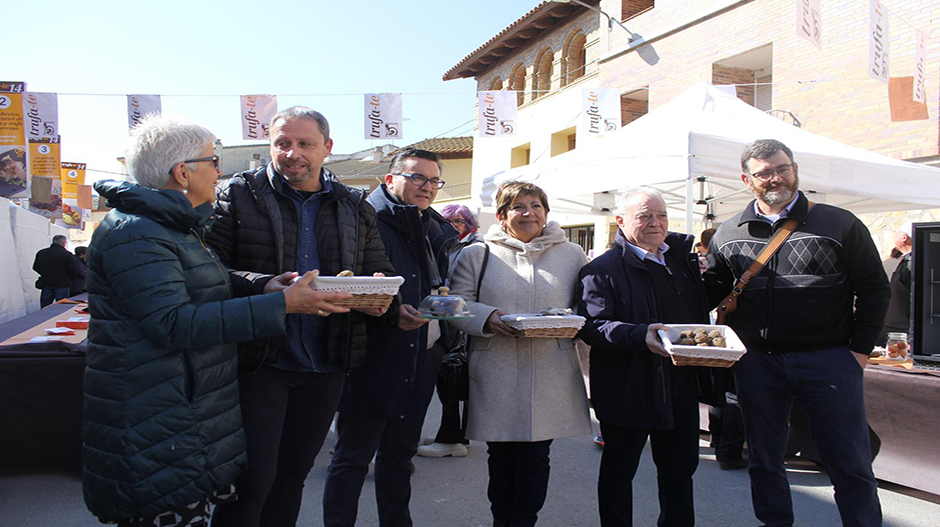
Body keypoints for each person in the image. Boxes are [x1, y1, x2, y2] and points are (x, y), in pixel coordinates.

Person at [82, 115, 342, 526]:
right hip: (156, 414)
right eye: (213, 159)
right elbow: (173, 323)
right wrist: (282, 305)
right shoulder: (138, 232)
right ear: (182, 172)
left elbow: (204, 295)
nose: (220, 170)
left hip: (179, 407)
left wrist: (266, 289)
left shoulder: (173, 227)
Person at [206, 106, 395, 527]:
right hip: (259, 360)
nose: (292, 153)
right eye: (282, 143)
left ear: (327, 148)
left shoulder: (353, 204)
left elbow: (375, 269)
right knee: (250, 482)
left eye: (304, 144)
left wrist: (380, 296)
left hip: (326, 360)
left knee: (292, 478)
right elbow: (208, 269)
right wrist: (264, 285)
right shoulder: (238, 194)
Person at [703, 139, 889, 527]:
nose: (776, 178)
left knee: (848, 462)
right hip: (757, 364)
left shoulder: (840, 223)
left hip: (828, 359)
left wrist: (859, 351)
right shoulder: (727, 232)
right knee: (765, 460)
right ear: (747, 179)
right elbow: (711, 292)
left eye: (782, 168)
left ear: (795, 168)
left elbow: (874, 289)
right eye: (764, 172)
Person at [323, 148, 458, 527]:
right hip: (372, 357)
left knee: (400, 457)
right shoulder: (362, 219)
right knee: (352, 457)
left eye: (433, 180)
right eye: (417, 177)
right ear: (390, 179)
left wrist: (441, 336)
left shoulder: (432, 226)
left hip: (421, 356)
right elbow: (340, 286)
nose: (426, 187)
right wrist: (388, 312)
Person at [447, 181, 591, 527]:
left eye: (536, 205)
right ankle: (502, 520)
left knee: (537, 458)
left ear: (546, 212)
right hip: (496, 369)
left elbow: (585, 306)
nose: (529, 213)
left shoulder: (572, 254)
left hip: (551, 370)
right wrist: (488, 317)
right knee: (501, 458)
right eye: (518, 207)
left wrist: (567, 325)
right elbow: (455, 305)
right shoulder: (477, 254)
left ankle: (525, 521)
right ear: (502, 215)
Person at [578, 187, 706, 527]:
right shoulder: (601, 269)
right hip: (626, 387)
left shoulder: (682, 262)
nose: (655, 223)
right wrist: (639, 335)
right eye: (644, 216)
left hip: (679, 386)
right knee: (619, 475)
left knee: (680, 474)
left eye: (661, 215)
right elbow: (591, 327)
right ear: (620, 221)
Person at [417, 203, 481, 459]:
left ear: (469, 222)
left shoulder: (472, 248)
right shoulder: (454, 245)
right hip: (449, 319)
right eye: (449, 221)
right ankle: (455, 434)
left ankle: (452, 438)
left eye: (459, 220)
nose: (454, 225)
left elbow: (454, 285)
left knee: (450, 378)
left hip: (458, 321)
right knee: (451, 379)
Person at [878, 222, 913, 345]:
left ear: (904, 238)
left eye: (896, 234)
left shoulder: (911, 262)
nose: (894, 236)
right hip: (895, 328)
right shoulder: (905, 261)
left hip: (903, 331)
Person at [32, 234, 81, 307]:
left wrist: (44, 273)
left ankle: (45, 318)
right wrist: (68, 278)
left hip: (46, 281)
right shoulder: (66, 254)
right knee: (61, 305)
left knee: (45, 305)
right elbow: (73, 270)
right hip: (62, 282)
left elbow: (36, 267)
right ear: (63, 243)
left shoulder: (42, 253)